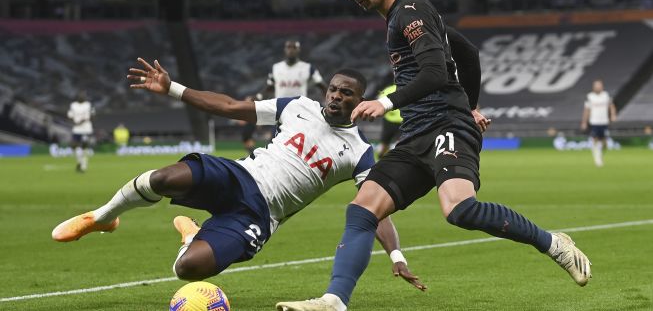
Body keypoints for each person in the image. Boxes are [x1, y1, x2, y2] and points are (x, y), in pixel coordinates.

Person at [276, 0, 591, 310]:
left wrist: (387, 102)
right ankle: (334, 300)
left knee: (459, 209)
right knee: (362, 209)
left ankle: (553, 244)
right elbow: (467, 52)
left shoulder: (411, 10)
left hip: (445, 124)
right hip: (416, 134)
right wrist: (472, 105)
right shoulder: (405, 16)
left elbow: (436, 73)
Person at [52, 58, 424, 288]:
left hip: (260, 216)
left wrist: (396, 256)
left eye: (346, 93)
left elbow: (374, 210)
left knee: (188, 269)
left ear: (361, 101)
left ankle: (192, 236)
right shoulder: (297, 106)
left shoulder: (359, 153)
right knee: (163, 178)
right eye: (333, 89)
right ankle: (102, 217)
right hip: (239, 176)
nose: (336, 96)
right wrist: (172, 89)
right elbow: (231, 106)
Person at [262, 39, 328, 99]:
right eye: (289, 47)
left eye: (294, 47)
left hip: (300, 107)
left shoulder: (308, 68)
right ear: (285, 49)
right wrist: (259, 97)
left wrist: (328, 101)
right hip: (280, 108)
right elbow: (269, 87)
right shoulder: (275, 68)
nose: (291, 50)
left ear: (299, 49)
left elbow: (322, 86)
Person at [581, 79, 617, 167]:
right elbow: (586, 110)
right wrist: (584, 122)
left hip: (604, 122)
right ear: (593, 87)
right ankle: (597, 158)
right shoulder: (590, 96)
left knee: (605, 143)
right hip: (594, 122)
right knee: (595, 140)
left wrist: (613, 115)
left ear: (602, 86)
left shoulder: (606, 95)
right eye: (596, 86)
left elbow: (611, 106)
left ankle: (599, 154)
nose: (598, 87)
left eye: (599, 85)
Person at [67, 90, 95, 173]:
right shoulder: (73, 105)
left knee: (84, 147)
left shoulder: (88, 105)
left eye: (83, 95)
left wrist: (84, 120)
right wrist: (74, 121)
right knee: (74, 146)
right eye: (80, 95)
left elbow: (93, 115)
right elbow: (70, 115)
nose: (82, 97)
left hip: (86, 129)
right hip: (76, 129)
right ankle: (80, 162)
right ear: (77, 97)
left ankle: (83, 165)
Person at [376, 83, 401, 158]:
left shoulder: (387, 90)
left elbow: (380, 103)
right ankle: (381, 157)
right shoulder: (406, 89)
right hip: (393, 121)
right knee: (385, 143)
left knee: (387, 143)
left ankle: (382, 157)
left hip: (394, 121)